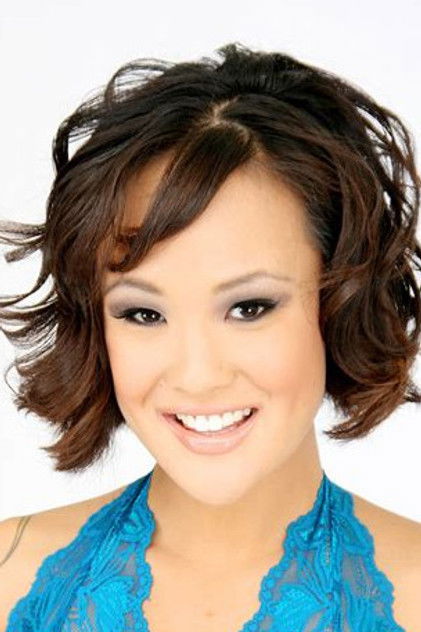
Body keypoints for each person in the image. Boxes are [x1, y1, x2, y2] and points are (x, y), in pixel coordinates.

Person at [0, 41, 420, 631]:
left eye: (249, 308)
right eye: (143, 314)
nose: (197, 376)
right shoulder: (10, 578)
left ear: (340, 302)